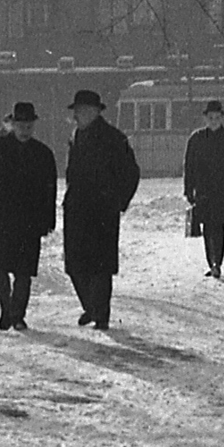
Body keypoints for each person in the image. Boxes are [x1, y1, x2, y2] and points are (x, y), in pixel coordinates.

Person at [0, 101, 57, 330]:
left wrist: (48, 220)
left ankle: (17, 315)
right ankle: (6, 309)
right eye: (21, 125)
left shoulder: (43, 154)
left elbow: (50, 190)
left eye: (29, 126)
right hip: (0, 218)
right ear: (12, 124)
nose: (25, 130)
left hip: (30, 221)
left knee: (23, 272)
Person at [62, 88, 140, 330]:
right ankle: (91, 306)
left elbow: (131, 173)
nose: (78, 116)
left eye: (83, 111)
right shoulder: (76, 136)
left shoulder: (113, 138)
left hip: (102, 210)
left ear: (95, 112)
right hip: (76, 208)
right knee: (75, 264)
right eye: (77, 111)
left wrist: (119, 202)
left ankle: (101, 314)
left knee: (100, 266)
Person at [183, 98, 224, 279]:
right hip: (203, 189)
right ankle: (212, 262)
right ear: (205, 118)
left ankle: (216, 262)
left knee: (217, 225)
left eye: (217, 117)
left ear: (222, 118)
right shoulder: (196, 139)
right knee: (207, 226)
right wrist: (188, 189)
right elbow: (189, 166)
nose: (214, 120)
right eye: (211, 117)